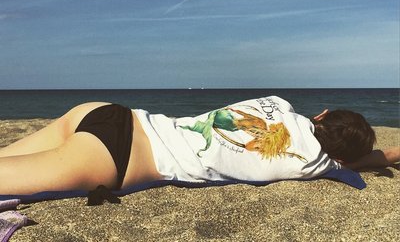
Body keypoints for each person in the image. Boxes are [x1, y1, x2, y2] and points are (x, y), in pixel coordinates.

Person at [0, 96, 398, 195]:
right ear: (339, 156)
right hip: (113, 155)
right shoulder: (311, 162)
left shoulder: (278, 103)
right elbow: (364, 160)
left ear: (322, 114)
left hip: (108, 113)